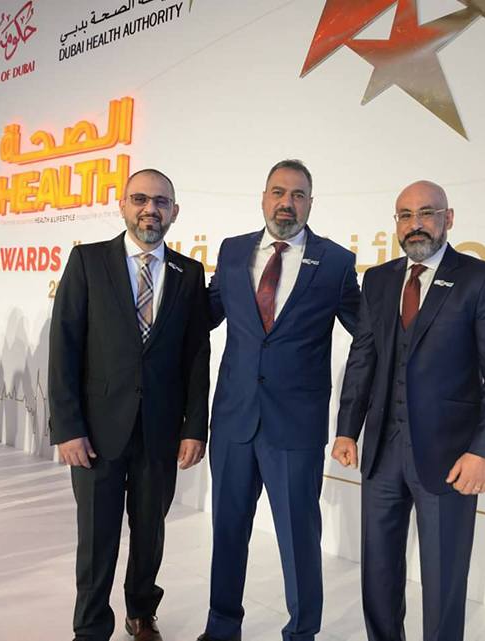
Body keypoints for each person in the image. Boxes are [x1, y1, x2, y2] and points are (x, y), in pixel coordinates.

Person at [333, 180, 485, 641]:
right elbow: (363, 358)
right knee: (377, 572)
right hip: (381, 452)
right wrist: (346, 430)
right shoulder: (378, 280)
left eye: (426, 213)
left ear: (448, 218)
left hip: (450, 456)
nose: (414, 224)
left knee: (443, 578)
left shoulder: (482, 279)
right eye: (405, 215)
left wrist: (484, 451)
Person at [200, 159, 360, 641]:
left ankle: (302, 633)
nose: (286, 203)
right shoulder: (232, 252)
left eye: (297, 194)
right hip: (233, 422)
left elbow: (368, 334)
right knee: (228, 532)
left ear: (310, 203)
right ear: (263, 197)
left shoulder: (335, 262)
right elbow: (203, 316)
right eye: (278, 192)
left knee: (298, 540)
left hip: (295, 428)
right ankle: (221, 628)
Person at [48, 168, 210, 641]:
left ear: (174, 212)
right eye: (139, 199)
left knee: (149, 532)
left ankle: (141, 611)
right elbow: (64, 345)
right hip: (96, 431)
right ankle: (90, 625)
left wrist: (194, 426)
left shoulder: (189, 273)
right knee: (96, 537)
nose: (149, 209)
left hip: (160, 430)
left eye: (161, 202)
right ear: (122, 205)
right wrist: (67, 427)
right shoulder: (87, 261)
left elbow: (196, 356)